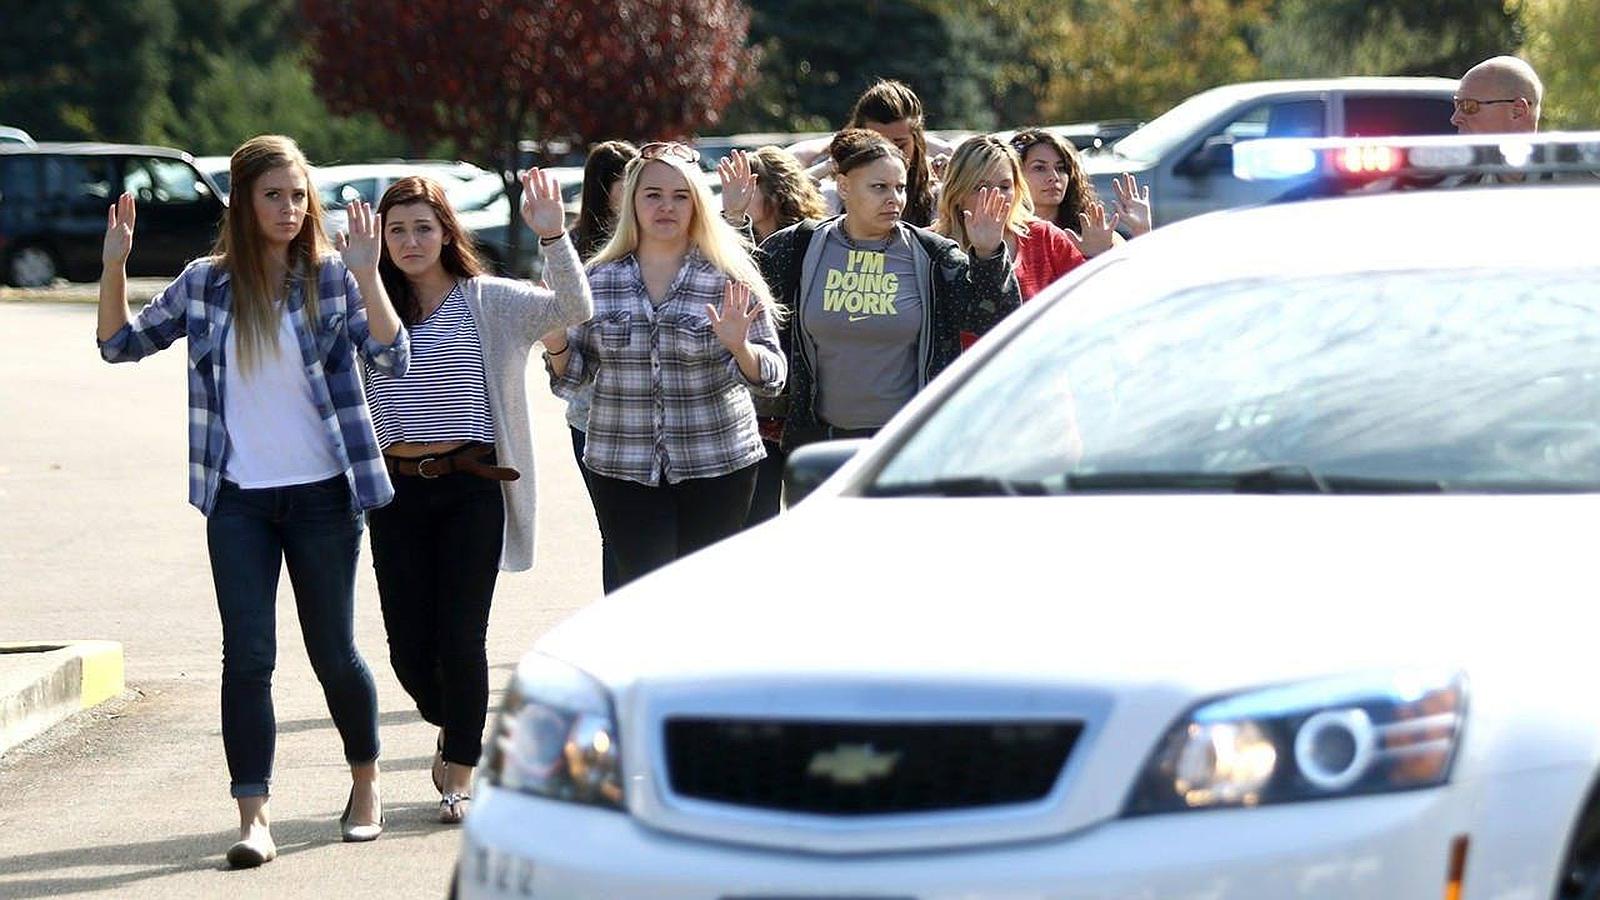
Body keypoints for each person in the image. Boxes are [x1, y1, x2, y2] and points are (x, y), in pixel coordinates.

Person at [95, 134, 404, 867]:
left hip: (326, 497)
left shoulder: (331, 277)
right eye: (274, 195)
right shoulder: (205, 283)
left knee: (334, 653)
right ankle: (254, 817)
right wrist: (114, 265)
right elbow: (117, 344)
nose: (290, 209)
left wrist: (369, 278)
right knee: (248, 658)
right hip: (238, 501)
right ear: (242, 201)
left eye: (299, 195)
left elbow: (392, 355)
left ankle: (365, 786)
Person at [364, 171, 592, 824]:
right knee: (410, 651)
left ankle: (460, 771)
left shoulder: (486, 301)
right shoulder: (367, 304)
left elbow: (571, 308)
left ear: (447, 233)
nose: (410, 241)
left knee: (462, 638)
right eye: (397, 229)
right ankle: (454, 723)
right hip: (394, 493)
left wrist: (551, 234)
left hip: (473, 488)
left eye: (423, 228)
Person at [546, 141, 786, 587]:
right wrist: (557, 342)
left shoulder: (728, 276)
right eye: (652, 194)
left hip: (718, 464)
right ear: (630, 203)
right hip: (622, 466)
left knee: (700, 594)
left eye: (681, 196)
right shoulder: (599, 279)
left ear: (698, 204)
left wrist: (740, 348)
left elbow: (772, 376)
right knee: (645, 588)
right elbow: (573, 380)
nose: (666, 207)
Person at [757, 129, 1021, 452]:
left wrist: (987, 255)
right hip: (820, 444)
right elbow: (738, 287)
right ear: (843, 186)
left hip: (908, 446)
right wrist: (735, 219)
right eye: (879, 187)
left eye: (900, 188)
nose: (894, 199)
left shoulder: (933, 255)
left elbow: (995, 321)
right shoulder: (800, 245)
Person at [729, 147, 828, 526]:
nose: (737, 192)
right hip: (758, 408)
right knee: (756, 524)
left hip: (807, 403)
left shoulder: (815, 240)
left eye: (747, 185)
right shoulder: (734, 238)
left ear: (776, 190)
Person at [560, 140, 639, 594]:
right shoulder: (575, 249)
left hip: (642, 412)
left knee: (639, 532)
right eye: (627, 183)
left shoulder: (650, 238)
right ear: (606, 189)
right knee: (616, 532)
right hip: (591, 415)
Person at [934, 135, 1087, 303]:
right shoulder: (929, 245)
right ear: (957, 193)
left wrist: (1097, 254)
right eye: (982, 188)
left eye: (1005, 187)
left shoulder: (1045, 237)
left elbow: (1089, 301)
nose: (996, 196)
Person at [802, 80, 943, 227]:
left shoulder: (937, 200)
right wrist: (831, 162)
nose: (889, 155)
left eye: (900, 145)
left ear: (917, 141)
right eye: (876, 145)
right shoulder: (832, 197)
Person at [1008, 128, 1152, 256]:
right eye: (1039, 168)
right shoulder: (1006, 235)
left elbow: (1140, 278)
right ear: (1015, 174)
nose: (1054, 177)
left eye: (1061, 168)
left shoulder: (1091, 231)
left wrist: (1142, 230)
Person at [1452, 56, 1543, 134]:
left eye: (1469, 106)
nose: (1455, 119)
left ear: (1518, 111)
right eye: (1456, 105)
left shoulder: (1552, 153)